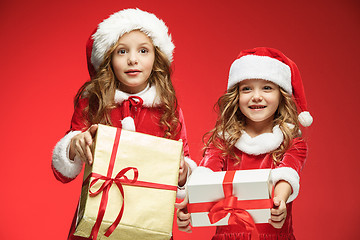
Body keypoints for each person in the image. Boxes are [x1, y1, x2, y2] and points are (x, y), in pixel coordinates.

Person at [51, 8, 197, 240]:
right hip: (99, 220)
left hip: (148, 223)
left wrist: (182, 171)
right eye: (122, 51)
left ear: (156, 57)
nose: (133, 59)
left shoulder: (168, 107)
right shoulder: (93, 102)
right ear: (108, 58)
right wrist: (74, 144)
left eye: (143, 50)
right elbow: (63, 173)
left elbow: (185, 164)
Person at [176, 47, 313, 239]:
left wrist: (279, 200)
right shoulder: (222, 141)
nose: (256, 96)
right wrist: (191, 202)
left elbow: (287, 175)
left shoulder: (291, 142)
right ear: (236, 96)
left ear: (282, 95)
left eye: (267, 87)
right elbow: (207, 173)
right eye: (247, 88)